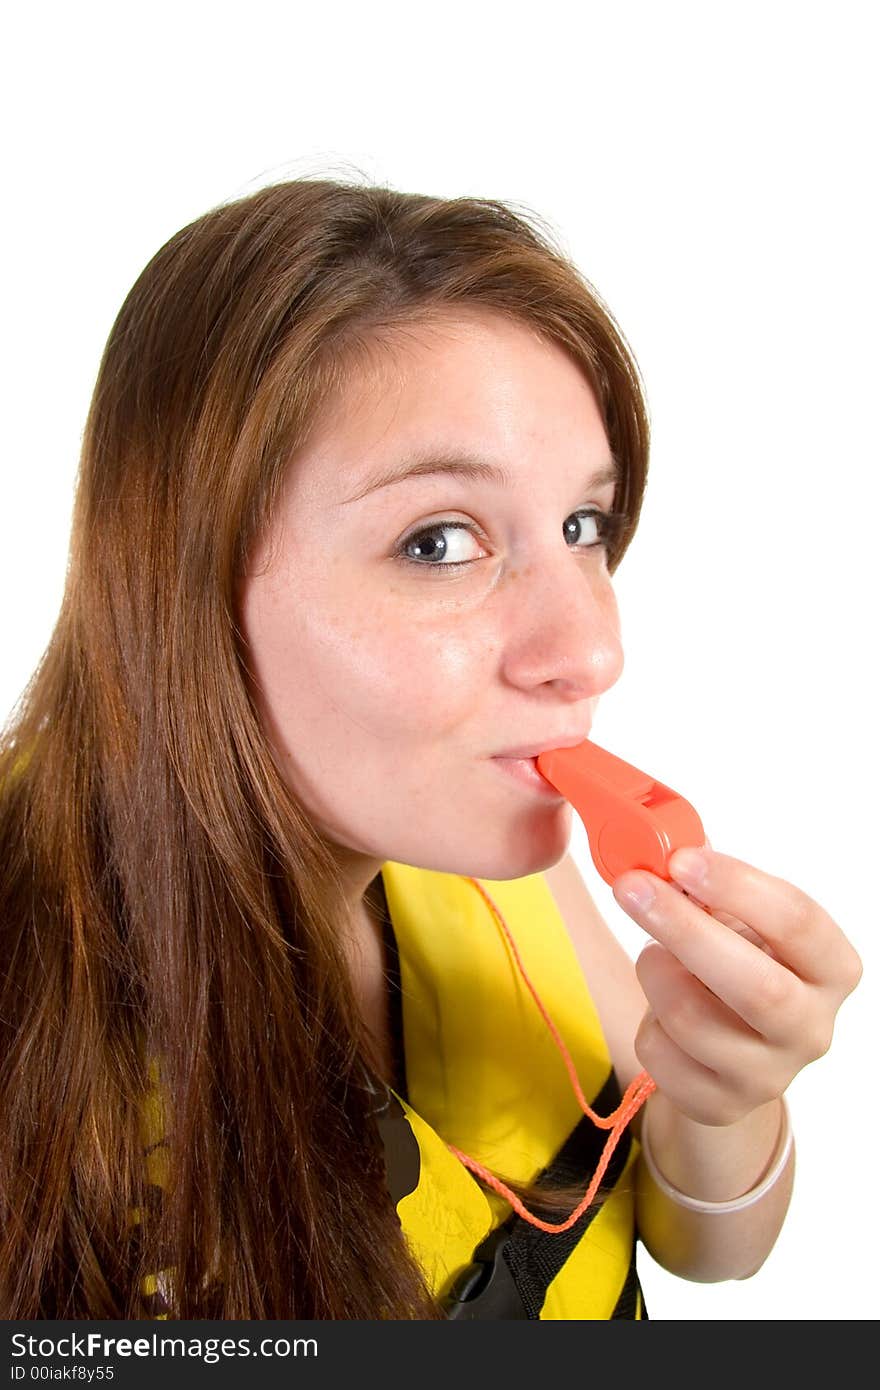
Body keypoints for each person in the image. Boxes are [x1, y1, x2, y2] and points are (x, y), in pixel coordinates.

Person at [0, 177, 861, 1321]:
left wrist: (722, 1103)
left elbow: (707, 1246)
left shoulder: (483, 823)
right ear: (179, 582)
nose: (592, 651)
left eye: (582, 527)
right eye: (440, 540)